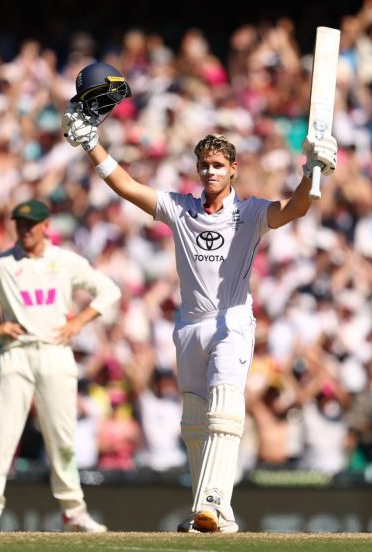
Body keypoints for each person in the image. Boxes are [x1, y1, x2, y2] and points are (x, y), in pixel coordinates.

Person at [61, 62, 338, 533]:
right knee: (194, 421)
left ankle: (212, 503)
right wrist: (91, 144)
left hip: (232, 319)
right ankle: (209, 513)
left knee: (225, 406)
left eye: (218, 166)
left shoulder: (249, 213)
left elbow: (295, 208)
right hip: (189, 324)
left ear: (234, 170)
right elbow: (125, 186)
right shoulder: (181, 208)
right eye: (204, 165)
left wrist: (314, 174)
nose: (210, 172)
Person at [0, 199, 121, 533]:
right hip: (16, 352)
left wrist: (80, 322)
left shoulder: (65, 261)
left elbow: (108, 290)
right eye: (20, 224)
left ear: (46, 226)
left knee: (62, 437)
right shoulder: (1, 264)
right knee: (3, 435)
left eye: (31, 224)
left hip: (55, 352)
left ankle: (73, 511)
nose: (25, 230)